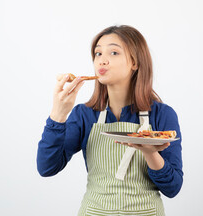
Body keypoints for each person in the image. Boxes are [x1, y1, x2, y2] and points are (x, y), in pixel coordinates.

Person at [37, 25, 183, 216]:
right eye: (98, 53)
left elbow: (173, 188)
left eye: (114, 52)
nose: (102, 60)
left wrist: (150, 152)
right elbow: (47, 168)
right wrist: (58, 115)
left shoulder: (162, 114)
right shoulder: (84, 115)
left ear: (135, 63)